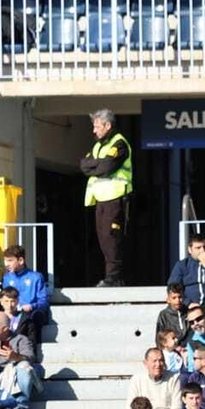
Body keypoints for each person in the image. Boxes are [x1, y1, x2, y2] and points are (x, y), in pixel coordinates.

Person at [81, 109, 132, 287]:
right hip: (101, 198)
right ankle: (110, 276)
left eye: (97, 126)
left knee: (112, 238)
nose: (94, 131)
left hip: (115, 197)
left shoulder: (119, 144)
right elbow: (84, 165)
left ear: (107, 125)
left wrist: (97, 166)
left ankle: (114, 278)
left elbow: (106, 168)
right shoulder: (98, 146)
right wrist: (98, 165)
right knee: (103, 238)